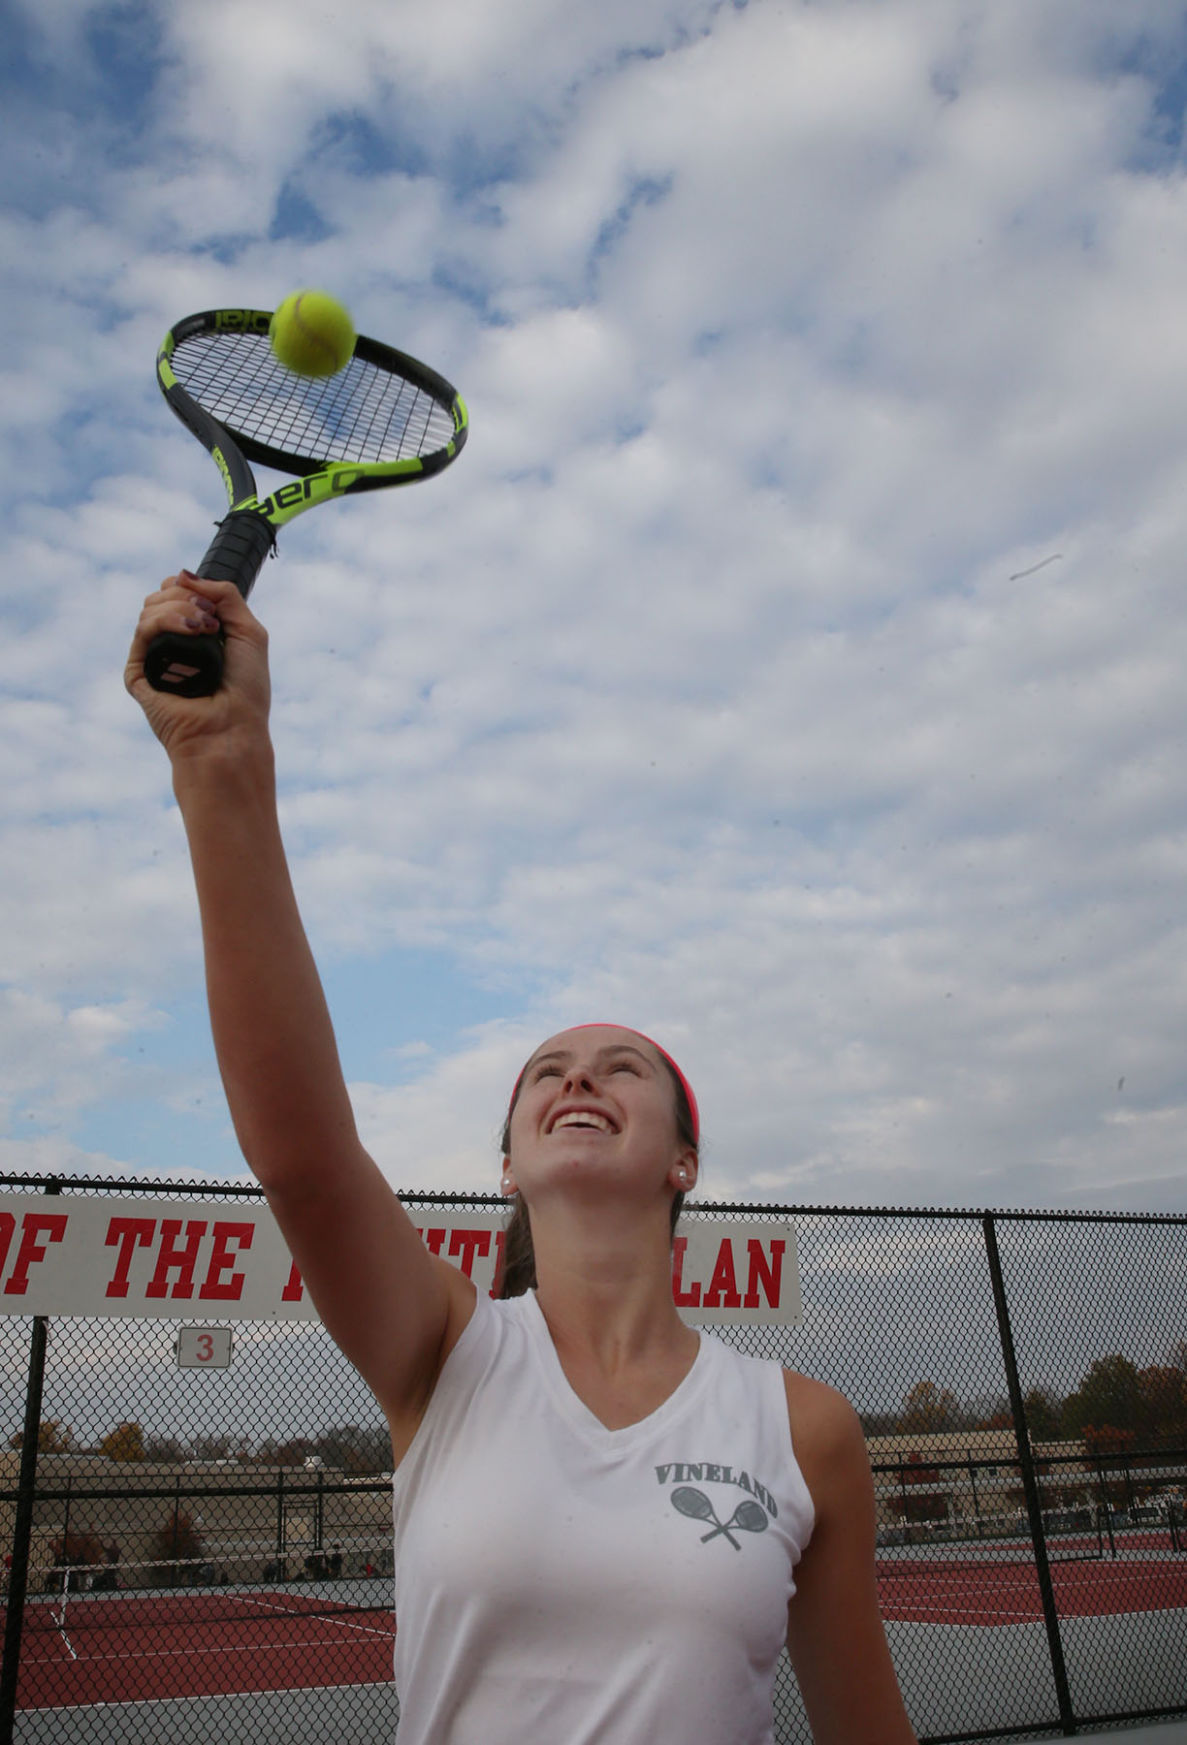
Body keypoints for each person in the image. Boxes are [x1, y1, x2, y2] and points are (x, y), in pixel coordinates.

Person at [127, 575, 918, 1745]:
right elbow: (302, 1153)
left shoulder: (802, 1428)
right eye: (546, 1070)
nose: (577, 1077)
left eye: (619, 1066)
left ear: (682, 1159)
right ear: (507, 1165)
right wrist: (218, 757)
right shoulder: (445, 1353)